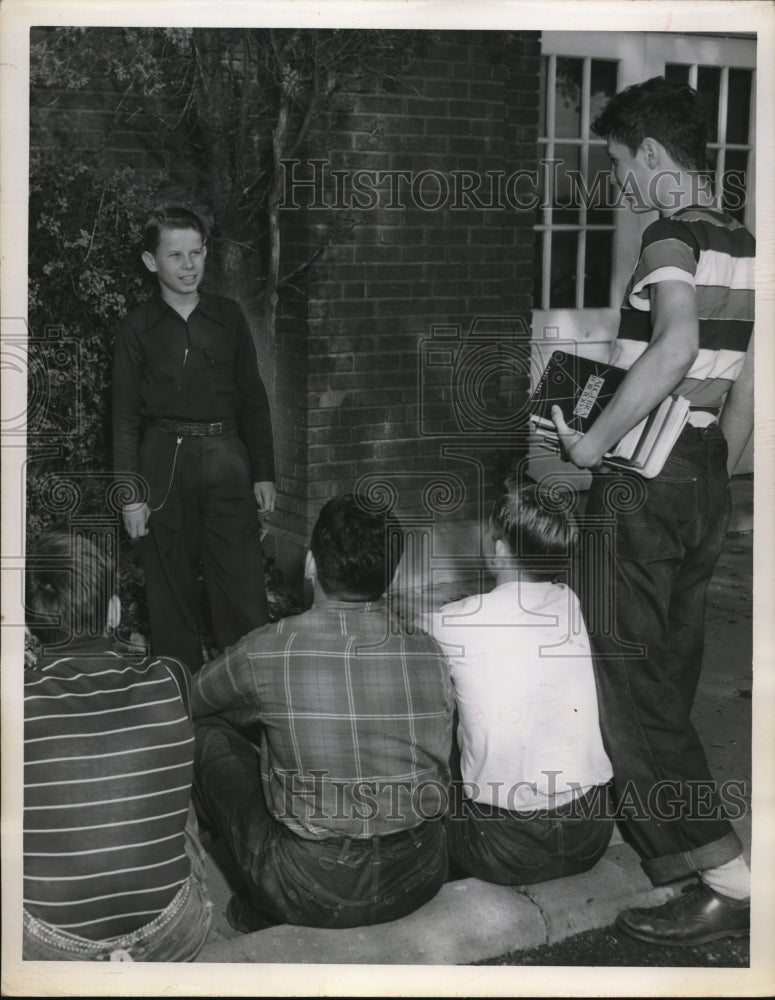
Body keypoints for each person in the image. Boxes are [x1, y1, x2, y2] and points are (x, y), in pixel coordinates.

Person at [551, 76, 755, 945]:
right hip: (703, 474)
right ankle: (685, 857)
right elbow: (746, 390)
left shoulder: (668, 237)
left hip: (641, 478)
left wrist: (592, 446)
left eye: (619, 163)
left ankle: (721, 877)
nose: (619, 184)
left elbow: (671, 346)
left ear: (654, 156)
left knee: (630, 686)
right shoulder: (742, 242)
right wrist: (716, 477)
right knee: (665, 674)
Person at [191, 492, 453, 931]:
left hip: (310, 888)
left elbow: (196, 698)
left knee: (206, 734)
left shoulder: (269, 647)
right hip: (420, 873)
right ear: (390, 573)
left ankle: (257, 896)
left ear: (311, 564)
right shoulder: (430, 651)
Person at [23, 530, 212, 961]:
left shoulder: (16, 702)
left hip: (50, 945)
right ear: (113, 612)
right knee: (168, 771)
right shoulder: (171, 678)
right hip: (173, 932)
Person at [112, 205, 276, 674]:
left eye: (197, 253)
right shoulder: (137, 328)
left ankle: (246, 699)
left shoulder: (228, 317)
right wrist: (131, 496)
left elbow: (253, 398)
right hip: (163, 462)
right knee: (169, 591)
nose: (189, 265)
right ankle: (179, 701)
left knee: (243, 587)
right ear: (151, 262)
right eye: (176, 255)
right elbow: (123, 417)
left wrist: (263, 470)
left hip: (226, 456)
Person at [426, 481, 613, 886]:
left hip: (504, 847)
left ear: (499, 549)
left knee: (445, 705)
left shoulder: (450, 621)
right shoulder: (569, 602)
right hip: (591, 832)